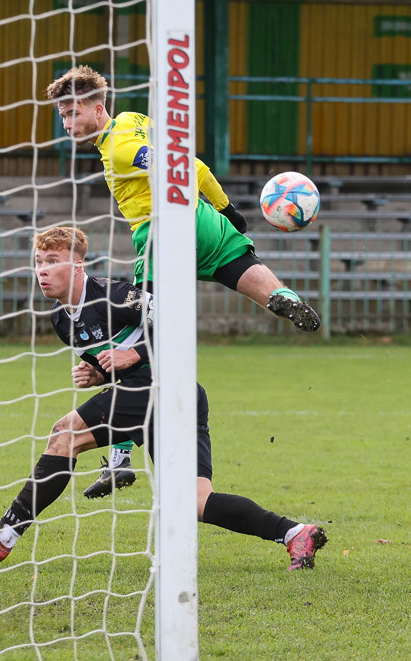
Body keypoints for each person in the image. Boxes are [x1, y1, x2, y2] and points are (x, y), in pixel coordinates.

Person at [0, 226, 327, 572]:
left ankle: (5, 535)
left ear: (78, 265)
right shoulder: (61, 320)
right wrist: (99, 374)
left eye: (53, 261)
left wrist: (136, 356)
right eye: (38, 262)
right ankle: (296, 533)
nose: (42, 270)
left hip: (167, 388)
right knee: (192, 501)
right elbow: (117, 367)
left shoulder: (114, 296)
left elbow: (178, 323)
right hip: (158, 399)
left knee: (65, 433)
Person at [45, 65, 322, 495]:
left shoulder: (119, 148)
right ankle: (282, 296)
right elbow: (192, 163)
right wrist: (226, 209)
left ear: (98, 109)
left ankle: (118, 457)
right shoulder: (135, 121)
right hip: (206, 220)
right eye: (62, 116)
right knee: (240, 268)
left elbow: (172, 168)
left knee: (133, 331)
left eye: (72, 113)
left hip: (162, 233)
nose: (67, 124)